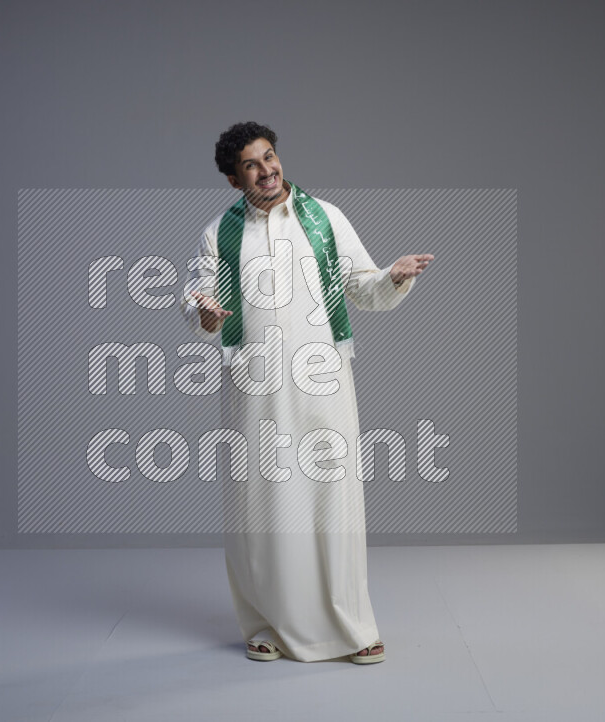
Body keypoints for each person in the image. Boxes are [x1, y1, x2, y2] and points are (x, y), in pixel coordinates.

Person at [179, 121, 433, 663]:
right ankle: (264, 623)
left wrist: (394, 275)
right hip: (253, 384)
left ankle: (352, 625)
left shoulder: (325, 219)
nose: (267, 169)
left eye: (269, 156)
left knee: (330, 496)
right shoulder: (220, 234)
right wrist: (202, 312)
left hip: (323, 378)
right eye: (251, 164)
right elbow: (199, 294)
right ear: (233, 179)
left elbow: (361, 287)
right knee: (261, 502)